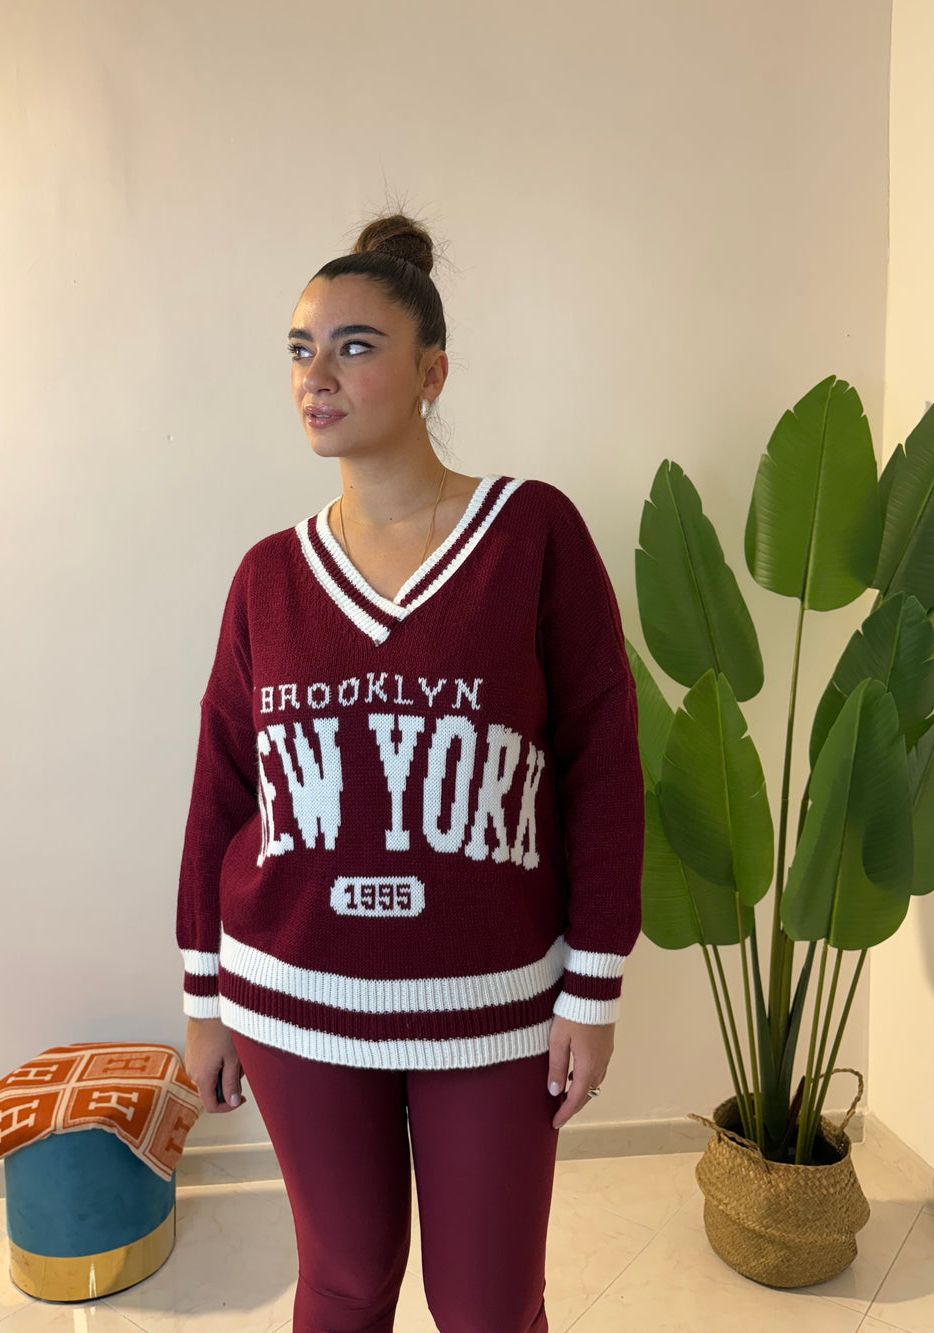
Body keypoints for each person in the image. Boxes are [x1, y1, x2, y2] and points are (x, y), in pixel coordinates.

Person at [176, 211, 644, 1333]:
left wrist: (592, 988)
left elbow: (601, 764)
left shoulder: (531, 535)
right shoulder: (269, 575)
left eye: (355, 346)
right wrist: (204, 1000)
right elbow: (223, 789)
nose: (317, 375)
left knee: (488, 1306)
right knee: (343, 1283)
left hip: (492, 1004)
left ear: (433, 372)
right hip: (293, 994)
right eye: (301, 349)